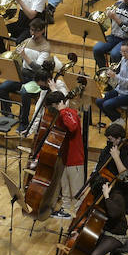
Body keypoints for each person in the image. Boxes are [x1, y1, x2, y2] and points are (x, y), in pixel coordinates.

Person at [0, 17, 54, 134]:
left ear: (42, 31)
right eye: (31, 30)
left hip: (37, 80)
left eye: (35, 31)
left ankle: (24, 123)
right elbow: (19, 60)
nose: (32, 33)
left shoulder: (45, 47)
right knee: (3, 87)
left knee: (24, 91)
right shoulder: (27, 41)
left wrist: (24, 55)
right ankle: (8, 115)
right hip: (23, 75)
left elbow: (38, 69)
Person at [38, 91, 85, 220]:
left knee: (77, 191)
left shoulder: (70, 113)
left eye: (53, 107)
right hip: (63, 158)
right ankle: (65, 210)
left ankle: (79, 217)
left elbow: (73, 127)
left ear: (59, 104)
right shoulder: (59, 115)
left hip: (75, 159)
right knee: (64, 188)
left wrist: (63, 110)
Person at [95, 39, 128, 122]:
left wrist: (115, 76)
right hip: (120, 90)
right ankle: (117, 120)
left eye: (125, 52)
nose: (123, 54)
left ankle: (119, 121)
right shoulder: (123, 59)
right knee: (99, 101)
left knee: (107, 104)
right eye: (121, 52)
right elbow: (120, 77)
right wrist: (110, 78)